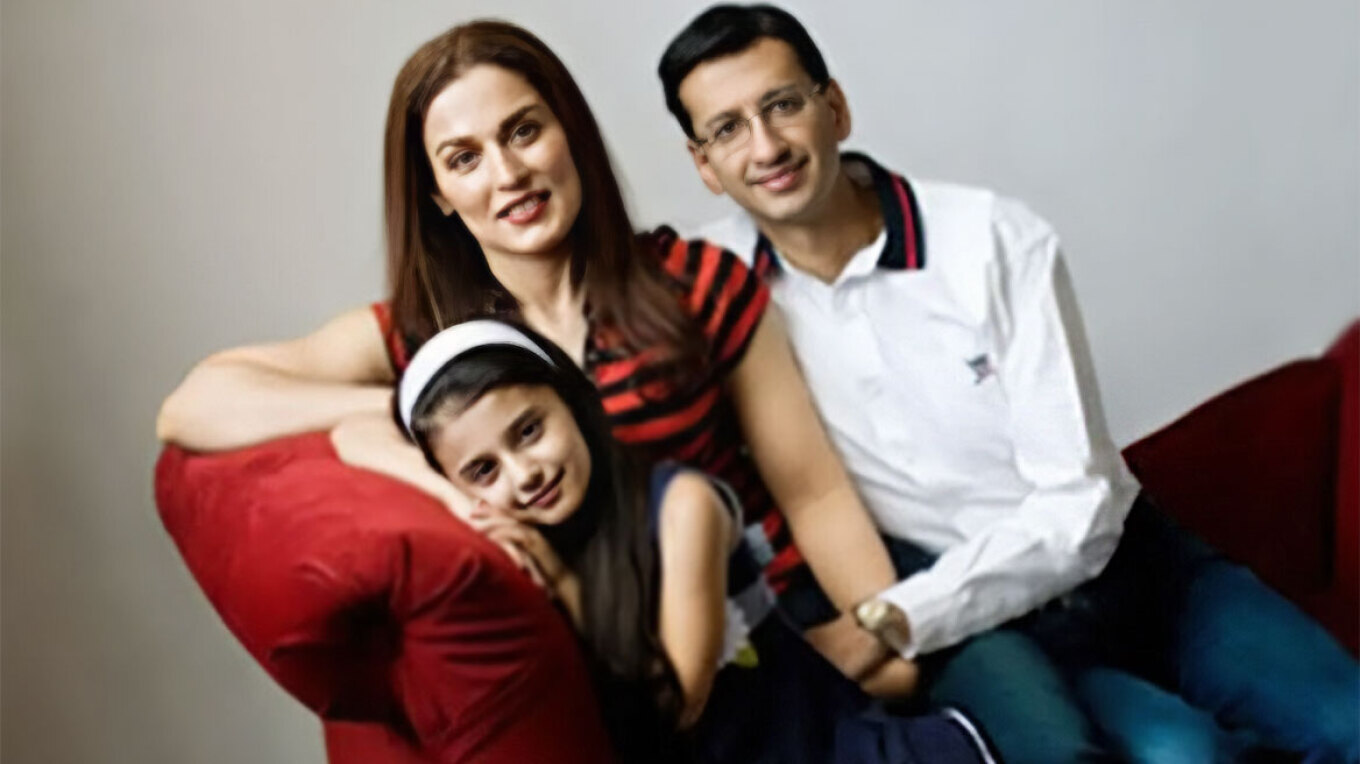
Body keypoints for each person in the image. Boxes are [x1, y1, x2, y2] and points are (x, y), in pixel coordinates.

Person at [657, 5, 1360, 763]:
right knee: (1183, 755)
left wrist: (896, 619)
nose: (766, 146)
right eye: (727, 129)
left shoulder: (990, 239)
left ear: (835, 108)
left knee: (1346, 721)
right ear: (704, 166)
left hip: (1135, 570)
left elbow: (1079, 503)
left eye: (782, 105)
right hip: (995, 632)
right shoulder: (713, 294)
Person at [156, 19, 916, 694]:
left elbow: (813, 494)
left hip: (773, 626)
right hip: (626, 671)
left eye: (523, 132)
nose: (508, 174)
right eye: (464, 158)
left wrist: (880, 630)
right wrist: (407, 409)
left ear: (569, 133)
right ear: (438, 194)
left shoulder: (698, 284)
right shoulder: (421, 340)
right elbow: (194, 406)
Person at [393, 317, 994, 763]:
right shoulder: (513, 545)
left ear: (572, 402)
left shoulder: (684, 506)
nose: (524, 474)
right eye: (483, 471)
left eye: (529, 431)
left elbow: (678, 706)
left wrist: (564, 585)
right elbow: (356, 435)